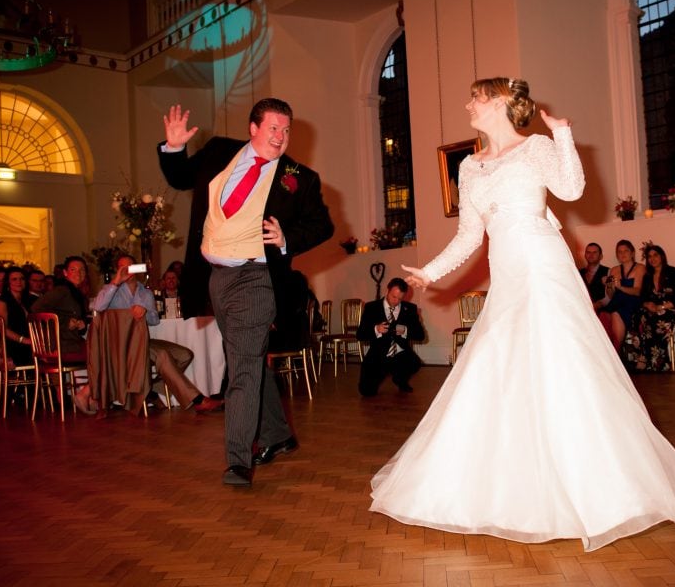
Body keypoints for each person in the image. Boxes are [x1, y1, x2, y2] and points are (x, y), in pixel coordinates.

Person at [377, 76, 675, 551]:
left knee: (560, 360)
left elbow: (572, 189)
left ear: (497, 102)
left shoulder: (536, 147)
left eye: (475, 97)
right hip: (508, 271)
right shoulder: (470, 166)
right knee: (501, 362)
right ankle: (509, 484)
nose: (467, 103)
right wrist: (430, 273)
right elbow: (471, 236)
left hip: (543, 263)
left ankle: (596, 487)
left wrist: (562, 134)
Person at [159, 98, 334, 487]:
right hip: (216, 277)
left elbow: (323, 226)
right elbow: (180, 177)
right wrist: (173, 148)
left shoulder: (299, 177)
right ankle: (279, 434)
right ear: (253, 128)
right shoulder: (221, 151)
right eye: (273, 128)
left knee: (240, 367)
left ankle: (238, 460)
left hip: (257, 278)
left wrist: (289, 238)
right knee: (247, 358)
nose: (281, 137)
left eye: (286, 130)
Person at [92, 255, 215, 416]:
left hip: (142, 342)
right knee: (163, 355)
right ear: (117, 269)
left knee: (185, 355)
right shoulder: (111, 290)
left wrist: (145, 313)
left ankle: (150, 389)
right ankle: (198, 400)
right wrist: (116, 280)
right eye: (123, 267)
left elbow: (154, 320)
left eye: (130, 267)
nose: (127, 271)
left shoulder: (145, 293)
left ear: (137, 269)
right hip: (121, 347)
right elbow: (98, 307)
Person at [31, 255, 97, 413]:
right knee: (105, 356)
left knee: (103, 352)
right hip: (62, 346)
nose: (78, 273)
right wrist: (63, 322)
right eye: (73, 270)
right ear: (66, 273)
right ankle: (86, 394)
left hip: (69, 342)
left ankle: (92, 396)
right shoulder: (62, 290)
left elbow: (73, 319)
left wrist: (80, 324)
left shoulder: (75, 293)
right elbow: (36, 309)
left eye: (82, 270)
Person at [356, 277, 425, 396]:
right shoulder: (371, 307)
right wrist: (376, 329)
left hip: (400, 354)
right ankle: (381, 374)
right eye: (394, 297)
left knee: (415, 362)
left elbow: (421, 335)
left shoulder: (410, 309)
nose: (396, 301)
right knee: (366, 391)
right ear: (387, 291)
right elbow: (360, 335)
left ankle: (400, 379)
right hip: (378, 355)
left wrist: (405, 331)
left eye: (400, 298)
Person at [624, 244, 675, 372]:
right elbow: (643, 297)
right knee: (638, 315)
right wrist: (648, 305)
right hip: (652, 311)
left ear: (662, 256)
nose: (652, 259)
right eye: (649, 256)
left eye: (655, 255)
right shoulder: (647, 277)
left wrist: (661, 306)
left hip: (671, 309)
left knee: (659, 318)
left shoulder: (673, 273)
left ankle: (657, 362)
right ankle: (641, 357)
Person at [598, 239, 645, 351]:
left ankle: (616, 351)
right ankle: (607, 351)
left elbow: (638, 291)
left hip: (632, 302)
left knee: (615, 313)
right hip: (617, 301)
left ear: (632, 253)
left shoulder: (640, 268)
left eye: (626, 251)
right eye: (619, 251)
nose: (623, 254)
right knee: (602, 314)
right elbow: (610, 295)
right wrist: (608, 285)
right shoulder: (614, 270)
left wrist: (620, 287)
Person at [578, 242, 609, 309]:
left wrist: (598, 304)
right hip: (582, 309)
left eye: (594, 252)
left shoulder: (608, 271)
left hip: (602, 311)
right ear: (585, 255)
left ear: (601, 256)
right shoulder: (578, 273)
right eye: (588, 252)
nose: (591, 255)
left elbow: (610, 296)